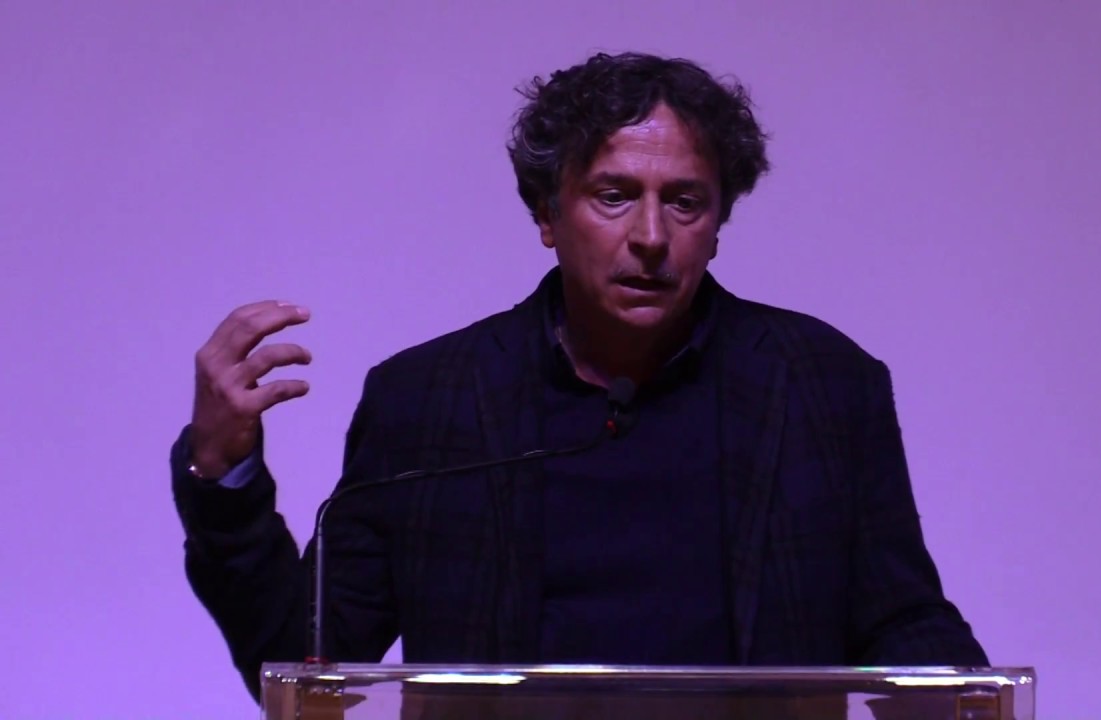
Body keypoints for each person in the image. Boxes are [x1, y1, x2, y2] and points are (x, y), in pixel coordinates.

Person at [170, 52, 987, 701]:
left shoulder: (822, 386)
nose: (651, 236)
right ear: (547, 214)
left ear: (717, 226)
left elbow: (901, 620)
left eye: (685, 202)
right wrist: (223, 472)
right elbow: (308, 662)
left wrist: (970, 700)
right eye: (614, 195)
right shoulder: (427, 400)